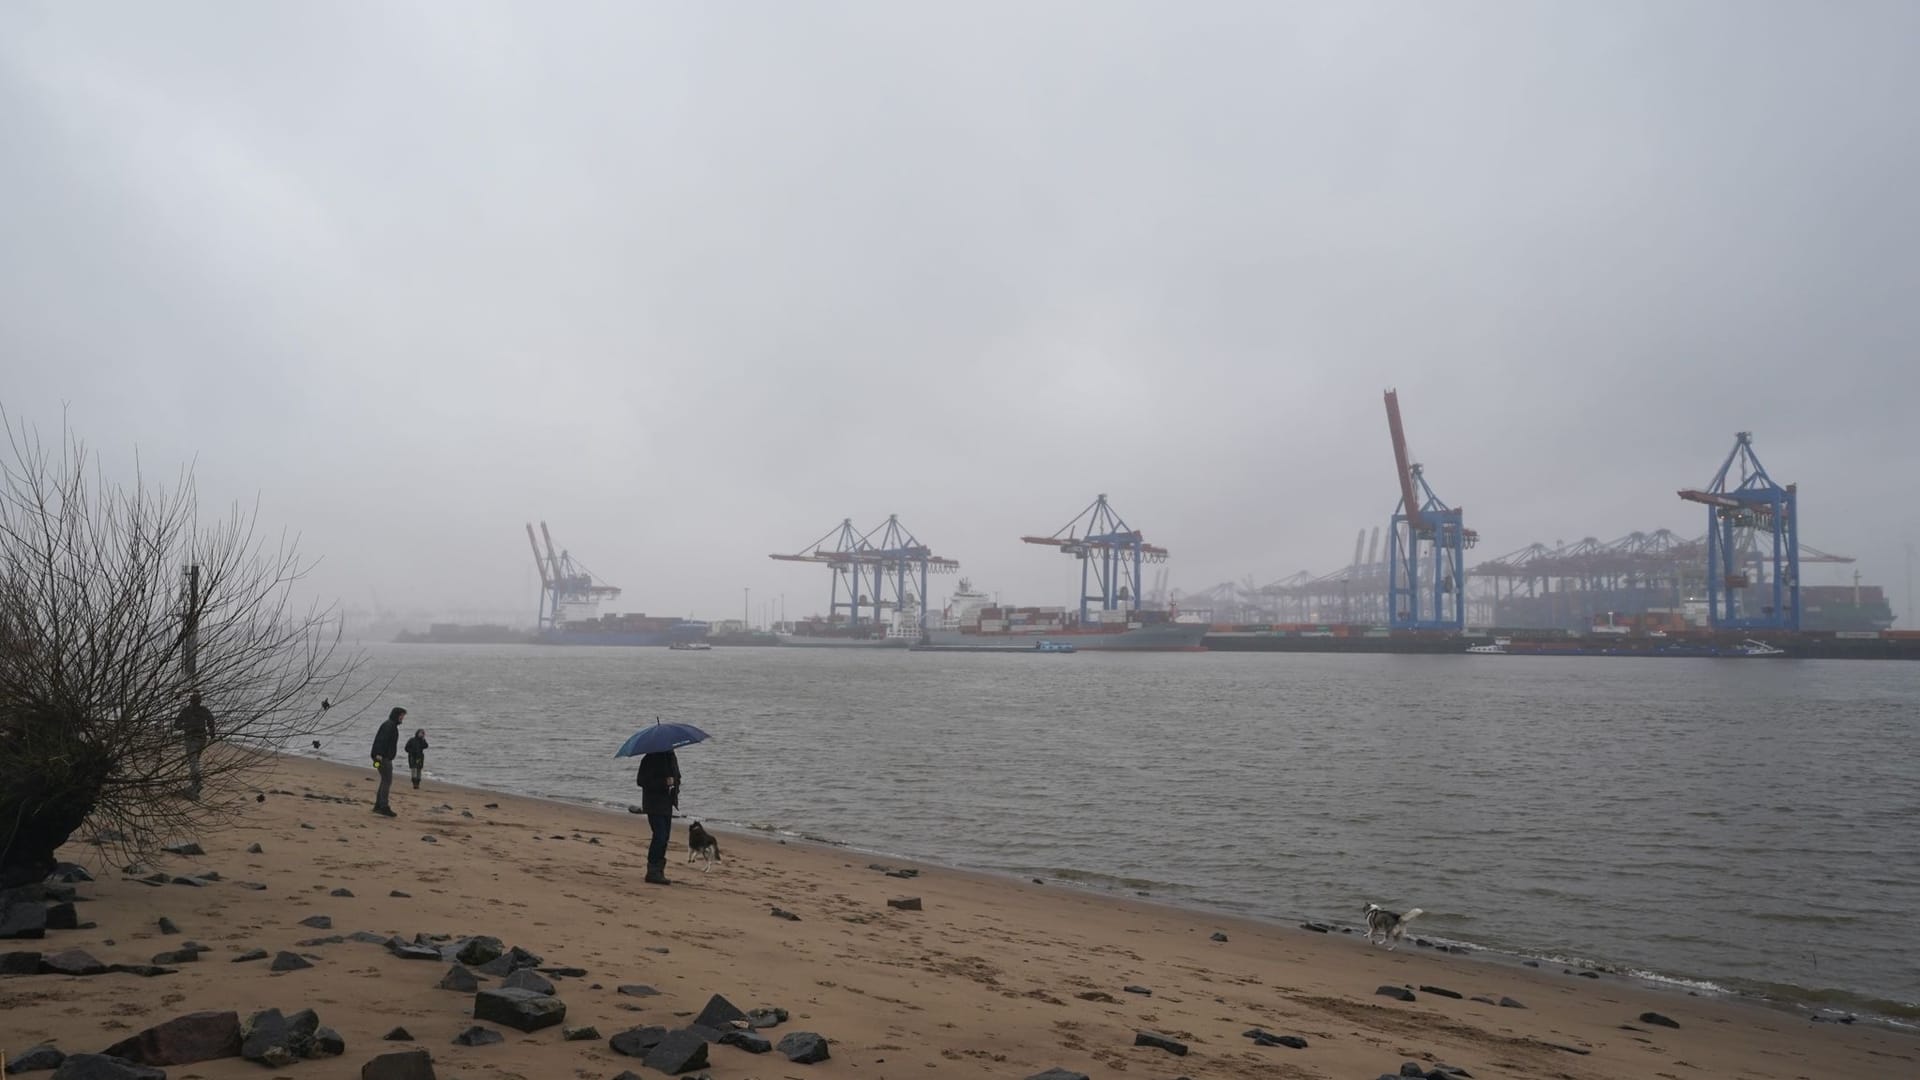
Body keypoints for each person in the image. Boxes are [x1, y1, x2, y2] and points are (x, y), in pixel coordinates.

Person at [634, 749, 680, 885]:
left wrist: (674, 783)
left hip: (667, 803)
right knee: (659, 836)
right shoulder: (649, 758)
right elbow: (641, 781)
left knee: (665, 837)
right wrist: (663, 783)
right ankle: (652, 870)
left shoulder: (671, 757)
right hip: (653, 803)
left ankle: (659, 870)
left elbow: (677, 777)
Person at [174, 692, 214, 798]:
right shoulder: (203, 710)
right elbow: (211, 722)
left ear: (190, 702)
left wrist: (186, 726)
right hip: (201, 739)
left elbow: (176, 725)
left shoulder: (186, 711)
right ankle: (196, 783)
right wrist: (212, 733)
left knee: (193, 762)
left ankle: (196, 784)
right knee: (195, 761)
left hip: (192, 739)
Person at [369, 707, 405, 817]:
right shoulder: (389, 726)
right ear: (397, 715)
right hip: (382, 757)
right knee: (387, 781)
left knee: (384, 780)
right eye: (402, 716)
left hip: (382, 757)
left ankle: (378, 805)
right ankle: (383, 806)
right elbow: (381, 740)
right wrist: (379, 755)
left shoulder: (390, 725)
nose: (402, 718)